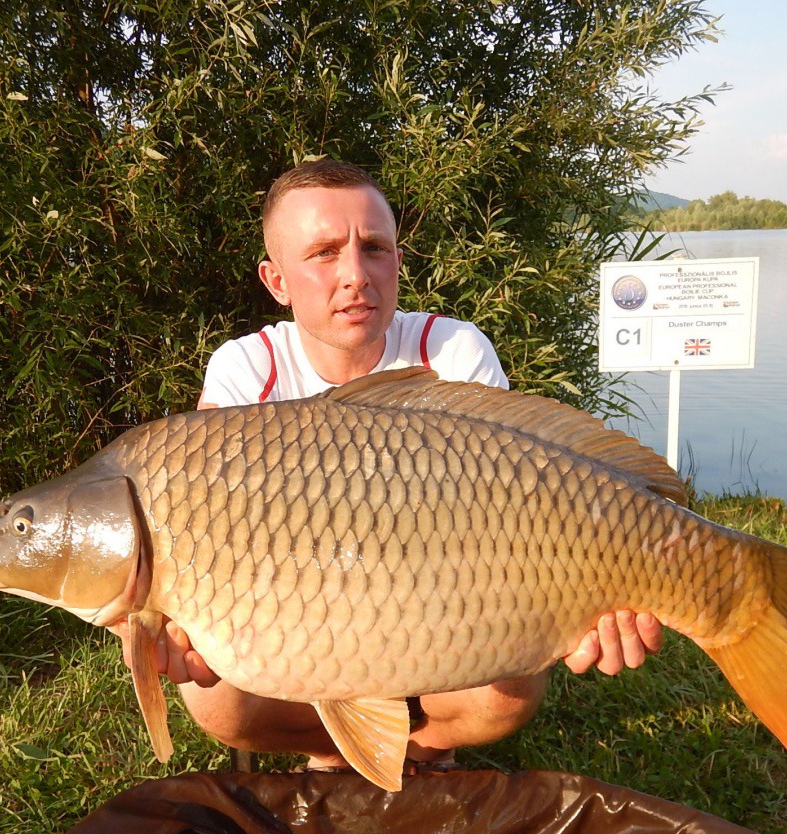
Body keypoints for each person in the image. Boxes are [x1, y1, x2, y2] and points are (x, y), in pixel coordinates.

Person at [120, 159, 664, 772]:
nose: (355, 275)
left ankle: (424, 747)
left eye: (374, 248)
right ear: (276, 280)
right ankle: (334, 749)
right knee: (215, 701)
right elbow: (191, 521)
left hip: (448, 619)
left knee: (510, 691)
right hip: (307, 628)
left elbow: (530, 505)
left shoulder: (452, 351)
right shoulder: (244, 370)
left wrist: (596, 594)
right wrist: (156, 614)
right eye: (324, 253)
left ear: (397, 260)